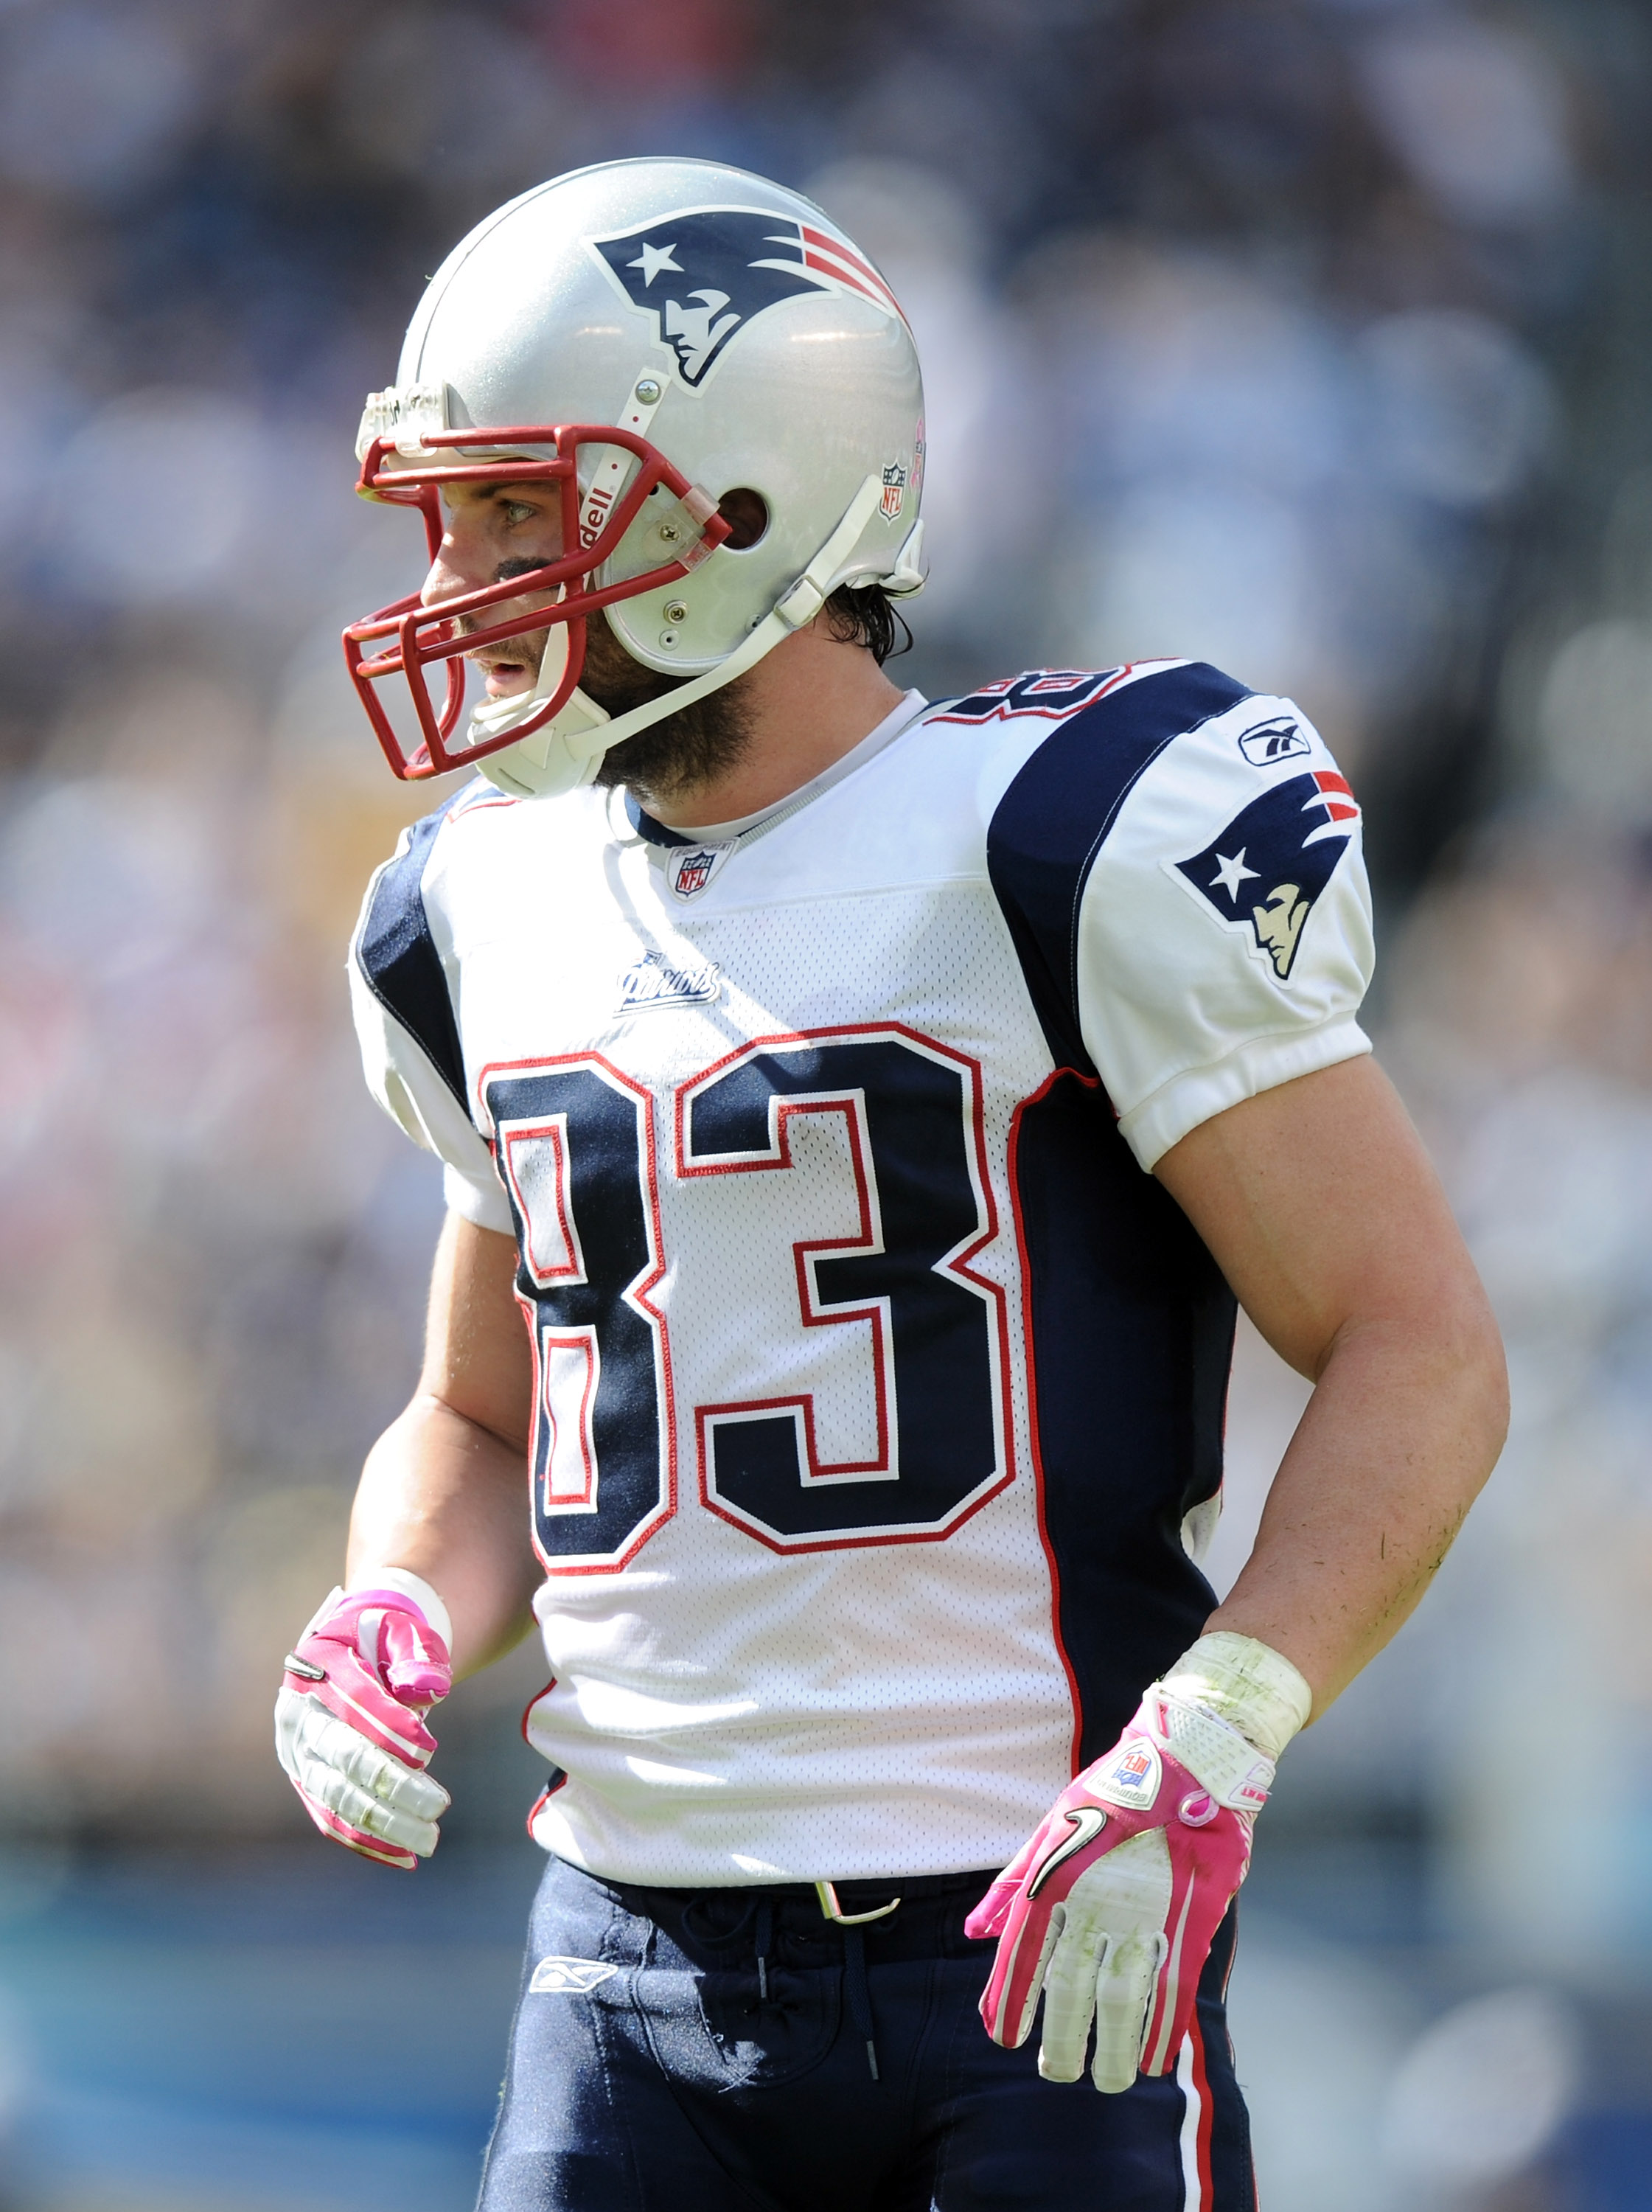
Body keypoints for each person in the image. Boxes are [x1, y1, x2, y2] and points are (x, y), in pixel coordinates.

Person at [274, 158, 1507, 2211]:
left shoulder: (1061, 831)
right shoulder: (471, 905)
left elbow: (1413, 1342)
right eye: (452, 514)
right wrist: (396, 1603)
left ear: (734, 505)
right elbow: (485, 1411)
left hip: (1033, 1946)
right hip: (621, 1960)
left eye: (517, 509)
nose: (457, 575)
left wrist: (1219, 1723)